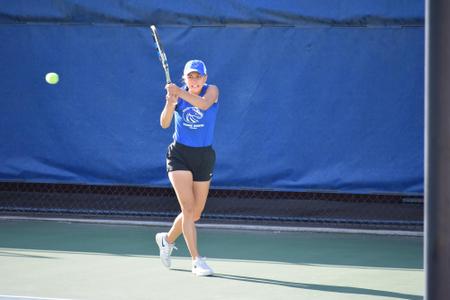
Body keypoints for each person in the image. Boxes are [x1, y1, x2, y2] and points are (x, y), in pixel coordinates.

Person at [155, 59, 219, 276]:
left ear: (205, 78)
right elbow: (164, 123)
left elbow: (203, 105)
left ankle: (167, 239)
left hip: (204, 156)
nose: (194, 80)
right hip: (179, 156)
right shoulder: (178, 95)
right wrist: (170, 102)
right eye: (190, 77)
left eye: (198, 76)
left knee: (196, 213)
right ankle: (196, 260)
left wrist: (179, 94)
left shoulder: (212, 91)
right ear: (185, 79)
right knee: (188, 209)